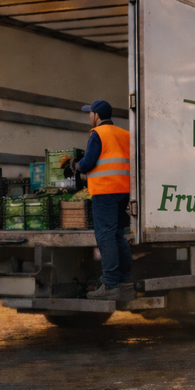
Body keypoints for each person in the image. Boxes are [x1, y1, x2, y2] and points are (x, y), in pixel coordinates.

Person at [61, 100, 134, 301]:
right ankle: (125, 284)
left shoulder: (97, 134)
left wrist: (76, 164)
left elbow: (89, 162)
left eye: (90, 113)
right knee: (119, 235)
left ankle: (110, 285)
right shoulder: (125, 134)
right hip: (124, 191)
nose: (89, 117)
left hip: (105, 191)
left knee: (106, 237)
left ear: (96, 116)